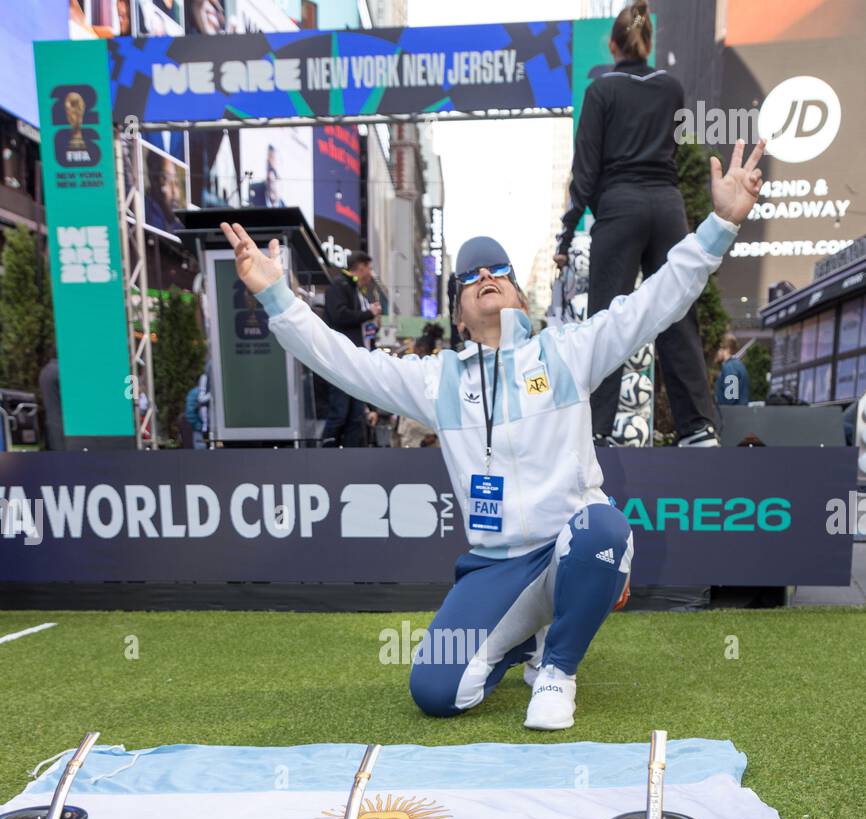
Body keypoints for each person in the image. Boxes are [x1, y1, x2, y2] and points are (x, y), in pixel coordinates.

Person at [219, 137, 763, 729]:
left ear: (518, 292)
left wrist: (720, 224)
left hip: (572, 545)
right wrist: (278, 296)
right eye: (470, 274)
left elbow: (654, 303)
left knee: (603, 526)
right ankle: (521, 641)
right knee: (434, 690)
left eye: (498, 269)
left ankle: (556, 668)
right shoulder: (437, 381)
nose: (485, 276)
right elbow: (345, 362)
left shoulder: (566, 352)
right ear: (457, 310)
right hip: (496, 567)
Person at [555, 1, 721, 448]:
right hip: (667, 207)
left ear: (613, 45)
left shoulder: (601, 91)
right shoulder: (671, 88)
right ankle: (697, 429)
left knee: (607, 319)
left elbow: (584, 173)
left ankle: (597, 430)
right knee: (676, 310)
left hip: (620, 208)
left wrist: (566, 235)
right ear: (647, 43)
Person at [320, 252, 381, 447]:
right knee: (340, 412)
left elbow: (359, 326)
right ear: (360, 267)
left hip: (355, 361)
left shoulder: (355, 290)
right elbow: (340, 317)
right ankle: (326, 455)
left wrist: (371, 321)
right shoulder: (339, 286)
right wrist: (367, 313)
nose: (370, 274)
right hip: (340, 360)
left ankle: (351, 458)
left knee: (356, 415)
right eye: (369, 268)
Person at [714, 334, 750, 409]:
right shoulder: (737, 365)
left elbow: (730, 398)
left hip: (732, 415)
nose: (715, 353)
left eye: (717, 349)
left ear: (726, 349)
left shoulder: (730, 367)